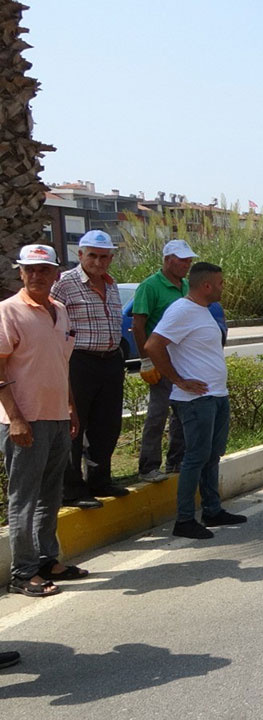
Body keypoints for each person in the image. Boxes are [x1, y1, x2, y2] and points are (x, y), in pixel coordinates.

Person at [1, 245, 89, 597]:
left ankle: (47, 559)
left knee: (50, 494)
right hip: (24, 421)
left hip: (55, 417)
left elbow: (61, 364)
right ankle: (23, 573)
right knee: (24, 497)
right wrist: (17, 419)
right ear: (20, 273)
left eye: (44, 270)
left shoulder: (60, 311)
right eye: (30, 270)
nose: (37, 276)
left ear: (56, 274)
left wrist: (70, 407)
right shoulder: (8, 311)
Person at [145, 262, 246, 540]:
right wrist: (179, 380)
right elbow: (153, 345)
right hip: (195, 400)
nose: (223, 287)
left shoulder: (203, 311)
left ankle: (212, 510)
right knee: (195, 458)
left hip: (216, 395)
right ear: (206, 286)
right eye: (221, 283)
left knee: (211, 456)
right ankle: (185, 519)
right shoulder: (181, 310)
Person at [51, 230, 126, 508]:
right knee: (74, 426)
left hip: (110, 361)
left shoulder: (112, 284)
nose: (98, 261)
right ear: (80, 255)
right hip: (78, 362)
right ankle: (71, 489)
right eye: (92, 255)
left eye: (104, 256)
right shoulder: (64, 284)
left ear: (111, 258)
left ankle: (100, 479)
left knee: (107, 424)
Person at [133, 239, 196, 483]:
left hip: (183, 362)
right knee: (157, 413)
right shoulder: (150, 286)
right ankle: (148, 466)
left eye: (189, 260)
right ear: (168, 259)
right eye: (182, 259)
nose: (186, 264)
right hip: (161, 362)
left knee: (181, 413)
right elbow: (138, 326)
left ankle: (176, 462)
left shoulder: (187, 286)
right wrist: (146, 360)